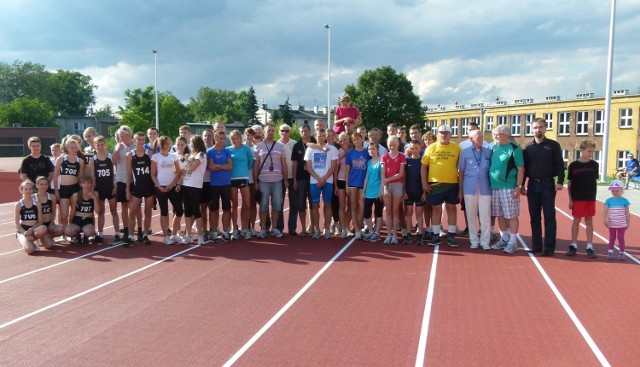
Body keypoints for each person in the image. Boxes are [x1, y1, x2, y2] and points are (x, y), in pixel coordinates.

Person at [522, 117, 565, 256]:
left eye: (540, 127)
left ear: (545, 128)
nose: (538, 130)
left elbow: (560, 164)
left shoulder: (553, 145)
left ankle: (549, 247)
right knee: (534, 217)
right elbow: (524, 168)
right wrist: (521, 185)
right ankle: (536, 245)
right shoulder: (527, 148)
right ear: (532, 129)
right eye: (535, 127)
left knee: (549, 216)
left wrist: (560, 181)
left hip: (548, 184)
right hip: (532, 185)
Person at [421, 124, 461, 247]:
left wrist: (461, 188)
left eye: (446, 133)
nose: (443, 135)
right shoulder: (431, 148)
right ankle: (435, 235)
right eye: (441, 133)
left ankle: (452, 236)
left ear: (450, 134)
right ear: (437, 134)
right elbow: (423, 167)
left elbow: (461, 168)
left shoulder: (457, 148)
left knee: (451, 209)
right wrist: (424, 183)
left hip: (452, 184)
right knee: (436, 210)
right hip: (435, 184)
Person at [489, 125, 524, 254]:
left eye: (496, 134)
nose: (495, 136)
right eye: (494, 134)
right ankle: (504, 238)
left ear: (505, 135)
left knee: (511, 216)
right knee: (500, 214)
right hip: (494, 187)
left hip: (508, 187)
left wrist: (518, 186)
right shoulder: (494, 147)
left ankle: (513, 241)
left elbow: (521, 168)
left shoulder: (515, 149)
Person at [457, 130, 493, 250]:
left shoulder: (489, 152)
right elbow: (460, 172)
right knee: (471, 215)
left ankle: (485, 241)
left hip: (485, 187)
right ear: (471, 139)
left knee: (485, 216)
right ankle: (474, 240)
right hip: (469, 187)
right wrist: (460, 191)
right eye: (478, 137)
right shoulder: (464, 153)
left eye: (482, 137)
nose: (481, 139)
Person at [254, 124, 288, 238]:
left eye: (273, 131)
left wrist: (286, 179)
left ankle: (274, 228)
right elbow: (256, 165)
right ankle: (263, 228)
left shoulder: (280, 146)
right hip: (263, 180)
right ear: (264, 132)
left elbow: (284, 164)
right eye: (268, 130)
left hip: (278, 180)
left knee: (276, 205)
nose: (270, 132)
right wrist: (255, 181)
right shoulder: (258, 146)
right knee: (263, 205)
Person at [566, 139, 598, 258]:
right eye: (589, 151)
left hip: (590, 197)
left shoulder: (594, 165)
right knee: (576, 221)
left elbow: (593, 181)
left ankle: (589, 246)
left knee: (589, 221)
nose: (591, 153)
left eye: (593, 151)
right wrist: (570, 199)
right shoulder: (573, 165)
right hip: (578, 198)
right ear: (582, 150)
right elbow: (570, 183)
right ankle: (573, 245)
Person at [305, 128, 338, 239]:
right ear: (315, 136)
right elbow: (308, 166)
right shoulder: (310, 149)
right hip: (314, 181)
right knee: (314, 206)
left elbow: (333, 167)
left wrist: (323, 179)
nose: (322, 137)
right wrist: (318, 179)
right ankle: (317, 229)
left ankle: (327, 229)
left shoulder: (332, 149)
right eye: (319, 136)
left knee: (328, 205)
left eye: (324, 135)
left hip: (327, 181)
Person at [151, 136, 184, 245]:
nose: (168, 145)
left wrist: (172, 184)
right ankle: (165, 236)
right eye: (165, 143)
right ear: (161, 145)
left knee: (179, 210)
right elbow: (153, 174)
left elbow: (179, 172)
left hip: (172, 186)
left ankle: (174, 234)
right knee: (164, 211)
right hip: (161, 187)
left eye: (169, 143)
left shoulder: (173, 156)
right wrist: (158, 186)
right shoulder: (155, 157)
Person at [125, 132, 155, 246]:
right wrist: (127, 189)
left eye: (143, 140)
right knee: (132, 211)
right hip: (137, 187)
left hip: (149, 187)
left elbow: (154, 172)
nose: (141, 142)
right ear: (134, 140)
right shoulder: (130, 155)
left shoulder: (149, 154)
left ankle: (146, 235)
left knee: (148, 211)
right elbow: (128, 174)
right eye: (139, 139)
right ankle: (130, 236)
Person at [88, 135, 119, 243]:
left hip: (110, 188)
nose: (100, 147)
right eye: (98, 145)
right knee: (100, 212)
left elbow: (116, 173)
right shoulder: (93, 159)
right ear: (95, 146)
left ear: (105, 145)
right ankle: (100, 233)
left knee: (114, 210)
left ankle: (117, 233)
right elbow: (92, 177)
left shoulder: (110, 157)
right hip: (99, 188)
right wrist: (92, 190)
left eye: (102, 145)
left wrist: (116, 185)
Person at [227, 130, 254, 240]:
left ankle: (245, 228)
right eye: (233, 138)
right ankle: (235, 228)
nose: (235, 140)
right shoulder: (228, 150)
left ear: (241, 138)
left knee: (247, 204)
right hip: (232, 179)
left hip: (244, 178)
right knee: (234, 205)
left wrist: (242, 171)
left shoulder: (246, 149)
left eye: (237, 138)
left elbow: (251, 163)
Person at [181, 135, 208, 245]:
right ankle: (189, 235)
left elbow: (192, 168)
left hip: (195, 186)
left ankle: (200, 235)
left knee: (196, 211)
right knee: (187, 211)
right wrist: (182, 180)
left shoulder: (201, 155)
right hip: (187, 184)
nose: (190, 145)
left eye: (191, 143)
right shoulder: (192, 154)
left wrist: (186, 159)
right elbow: (188, 170)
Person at [54, 136, 85, 229]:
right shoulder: (61, 159)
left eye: (76, 147)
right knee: (64, 214)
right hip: (63, 189)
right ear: (67, 148)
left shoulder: (80, 161)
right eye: (72, 148)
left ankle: (71, 231)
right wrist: (56, 191)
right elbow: (55, 176)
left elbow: (80, 177)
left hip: (75, 188)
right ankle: (64, 232)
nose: (74, 149)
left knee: (74, 213)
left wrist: (82, 190)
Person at [208, 131, 233, 242]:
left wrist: (218, 165)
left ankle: (226, 232)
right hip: (214, 184)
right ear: (215, 138)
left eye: (224, 138)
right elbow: (211, 167)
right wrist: (222, 166)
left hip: (226, 184)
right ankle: (214, 232)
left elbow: (230, 166)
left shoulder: (227, 151)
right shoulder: (210, 151)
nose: (223, 140)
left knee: (227, 208)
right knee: (214, 209)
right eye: (221, 138)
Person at [112, 126, 135, 242]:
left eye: (123, 136)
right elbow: (113, 161)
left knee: (134, 207)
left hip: (134, 180)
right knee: (124, 206)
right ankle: (126, 231)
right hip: (121, 179)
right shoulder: (118, 146)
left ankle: (137, 231)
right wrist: (117, 151)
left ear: (129, 135)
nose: (121, 138)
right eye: (120, 136)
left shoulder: (135, 146)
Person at [345, 132, 370, 240]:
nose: (356, 141)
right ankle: (357, 230)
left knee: (362, 206)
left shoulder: (366, 152)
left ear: (362, 139)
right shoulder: (350, 153)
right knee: (353, 206)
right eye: (354, 140)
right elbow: (347, 170)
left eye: (358, 139)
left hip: (363, 183)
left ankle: (358, 227)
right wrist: (346, 184)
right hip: (352, 182)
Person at [275, 124, 298, 236]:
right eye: (282, 130)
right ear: (279, 132)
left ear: (290, 132)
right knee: (279, 203)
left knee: (294, 203)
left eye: (286, 131)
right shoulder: (275, 144)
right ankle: (279, 228)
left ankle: (292, 228)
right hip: (279, 178)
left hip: (292, 177)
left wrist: (295, 179)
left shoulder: (294, 144)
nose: (284, 132)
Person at [291, 124, 313, 237]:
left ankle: (313, 227)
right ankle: (303, 228)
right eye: (302, 131)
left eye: (306, 130)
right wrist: (294, 179)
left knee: (314, 204)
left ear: (310, 131)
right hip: (300, 178)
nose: (304, 133)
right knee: (301, 204)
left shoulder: (316, 143)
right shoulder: (297, 146)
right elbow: (294, 164)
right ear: (300, 133)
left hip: (314, 178)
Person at [15, 179, 48, 254]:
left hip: (34, 229)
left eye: (30, 189)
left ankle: (33, 240)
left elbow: (40, 222)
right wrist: (25, 233)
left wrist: (31, 230)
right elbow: (16, 224)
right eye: (26, 189)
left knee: (45, 231)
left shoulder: (37, 203)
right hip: (23, 230)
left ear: (33, 190)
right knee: (30, 250)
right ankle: (25, 241)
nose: (28, 191)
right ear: (21, 190)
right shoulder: (18, 205)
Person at [403, 140, 425, 245]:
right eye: (412, 148)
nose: (414, 150)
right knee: (408, 213)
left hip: (419, 191)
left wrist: (425, 192)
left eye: (416, 148)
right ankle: (408, 234)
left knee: (419, 214)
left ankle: (420, 234)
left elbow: (425, 178)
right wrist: (404, 191)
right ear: (409, 149)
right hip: (408, 191)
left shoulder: (423, 162)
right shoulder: (406, 161)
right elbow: (403, 177)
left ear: (420, 148)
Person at [65, 175, 98, 245]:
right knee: (67, 231)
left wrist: (94, 198)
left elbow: (98, 211)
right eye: (84, 183)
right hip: (77, 219)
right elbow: (72, 211)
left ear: (91, 184)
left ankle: (86, 237)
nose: (86, 185)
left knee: (88, 232)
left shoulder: (95, 194)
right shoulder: (76, 195)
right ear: (80, 184)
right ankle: (77, 236)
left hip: (88, 220)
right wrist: (70, 223)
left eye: (88, 183)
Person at [34, 176, 64, 249]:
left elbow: (53, 211)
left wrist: (51, 222)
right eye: (41, 184)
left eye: (45, 184)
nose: (43, 186)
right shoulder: (33, 198)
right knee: (49, 245)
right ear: (37, 185)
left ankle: (47, 237)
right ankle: (35, 239)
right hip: (38, 225)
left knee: (61, 229)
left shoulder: (52, 197)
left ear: (48, 185)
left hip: (48, 223)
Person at [603, 180, 630, 260]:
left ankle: (621, 253)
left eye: (616, 190)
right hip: (612, 223)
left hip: (622, 224)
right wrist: (605, 220)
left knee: (621, 238)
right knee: (612, 237)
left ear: (621, 190)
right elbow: (605, 212)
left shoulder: (625, 201)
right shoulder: (609, 201)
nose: (614, 192)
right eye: (613, 190)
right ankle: (610, 252)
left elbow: (627, 213)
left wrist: (628, 222)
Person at [362, 143, 384, 242]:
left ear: (377, 149)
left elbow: (383, 178)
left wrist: (381, 191)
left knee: (378, 212)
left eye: (373, 149)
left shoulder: (382, 161)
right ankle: (371, 231)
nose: (371, 151)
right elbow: (366, 177)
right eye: (369, 149)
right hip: (369, 191)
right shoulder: (369, 162)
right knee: (366, 212)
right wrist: (364, 191)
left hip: (378, 191)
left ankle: (377, 233)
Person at [335, 132, 353, 238]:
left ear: (349, 139)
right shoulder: (338, 152)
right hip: (341, 180)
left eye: (345, 140)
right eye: (341, 140)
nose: (343, 142)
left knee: (351, 206)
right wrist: (336, 185)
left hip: (352, 181)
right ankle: (343, 229)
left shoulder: (353, 151)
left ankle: (347, 226)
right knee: (342, 206)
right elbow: (335, 170)